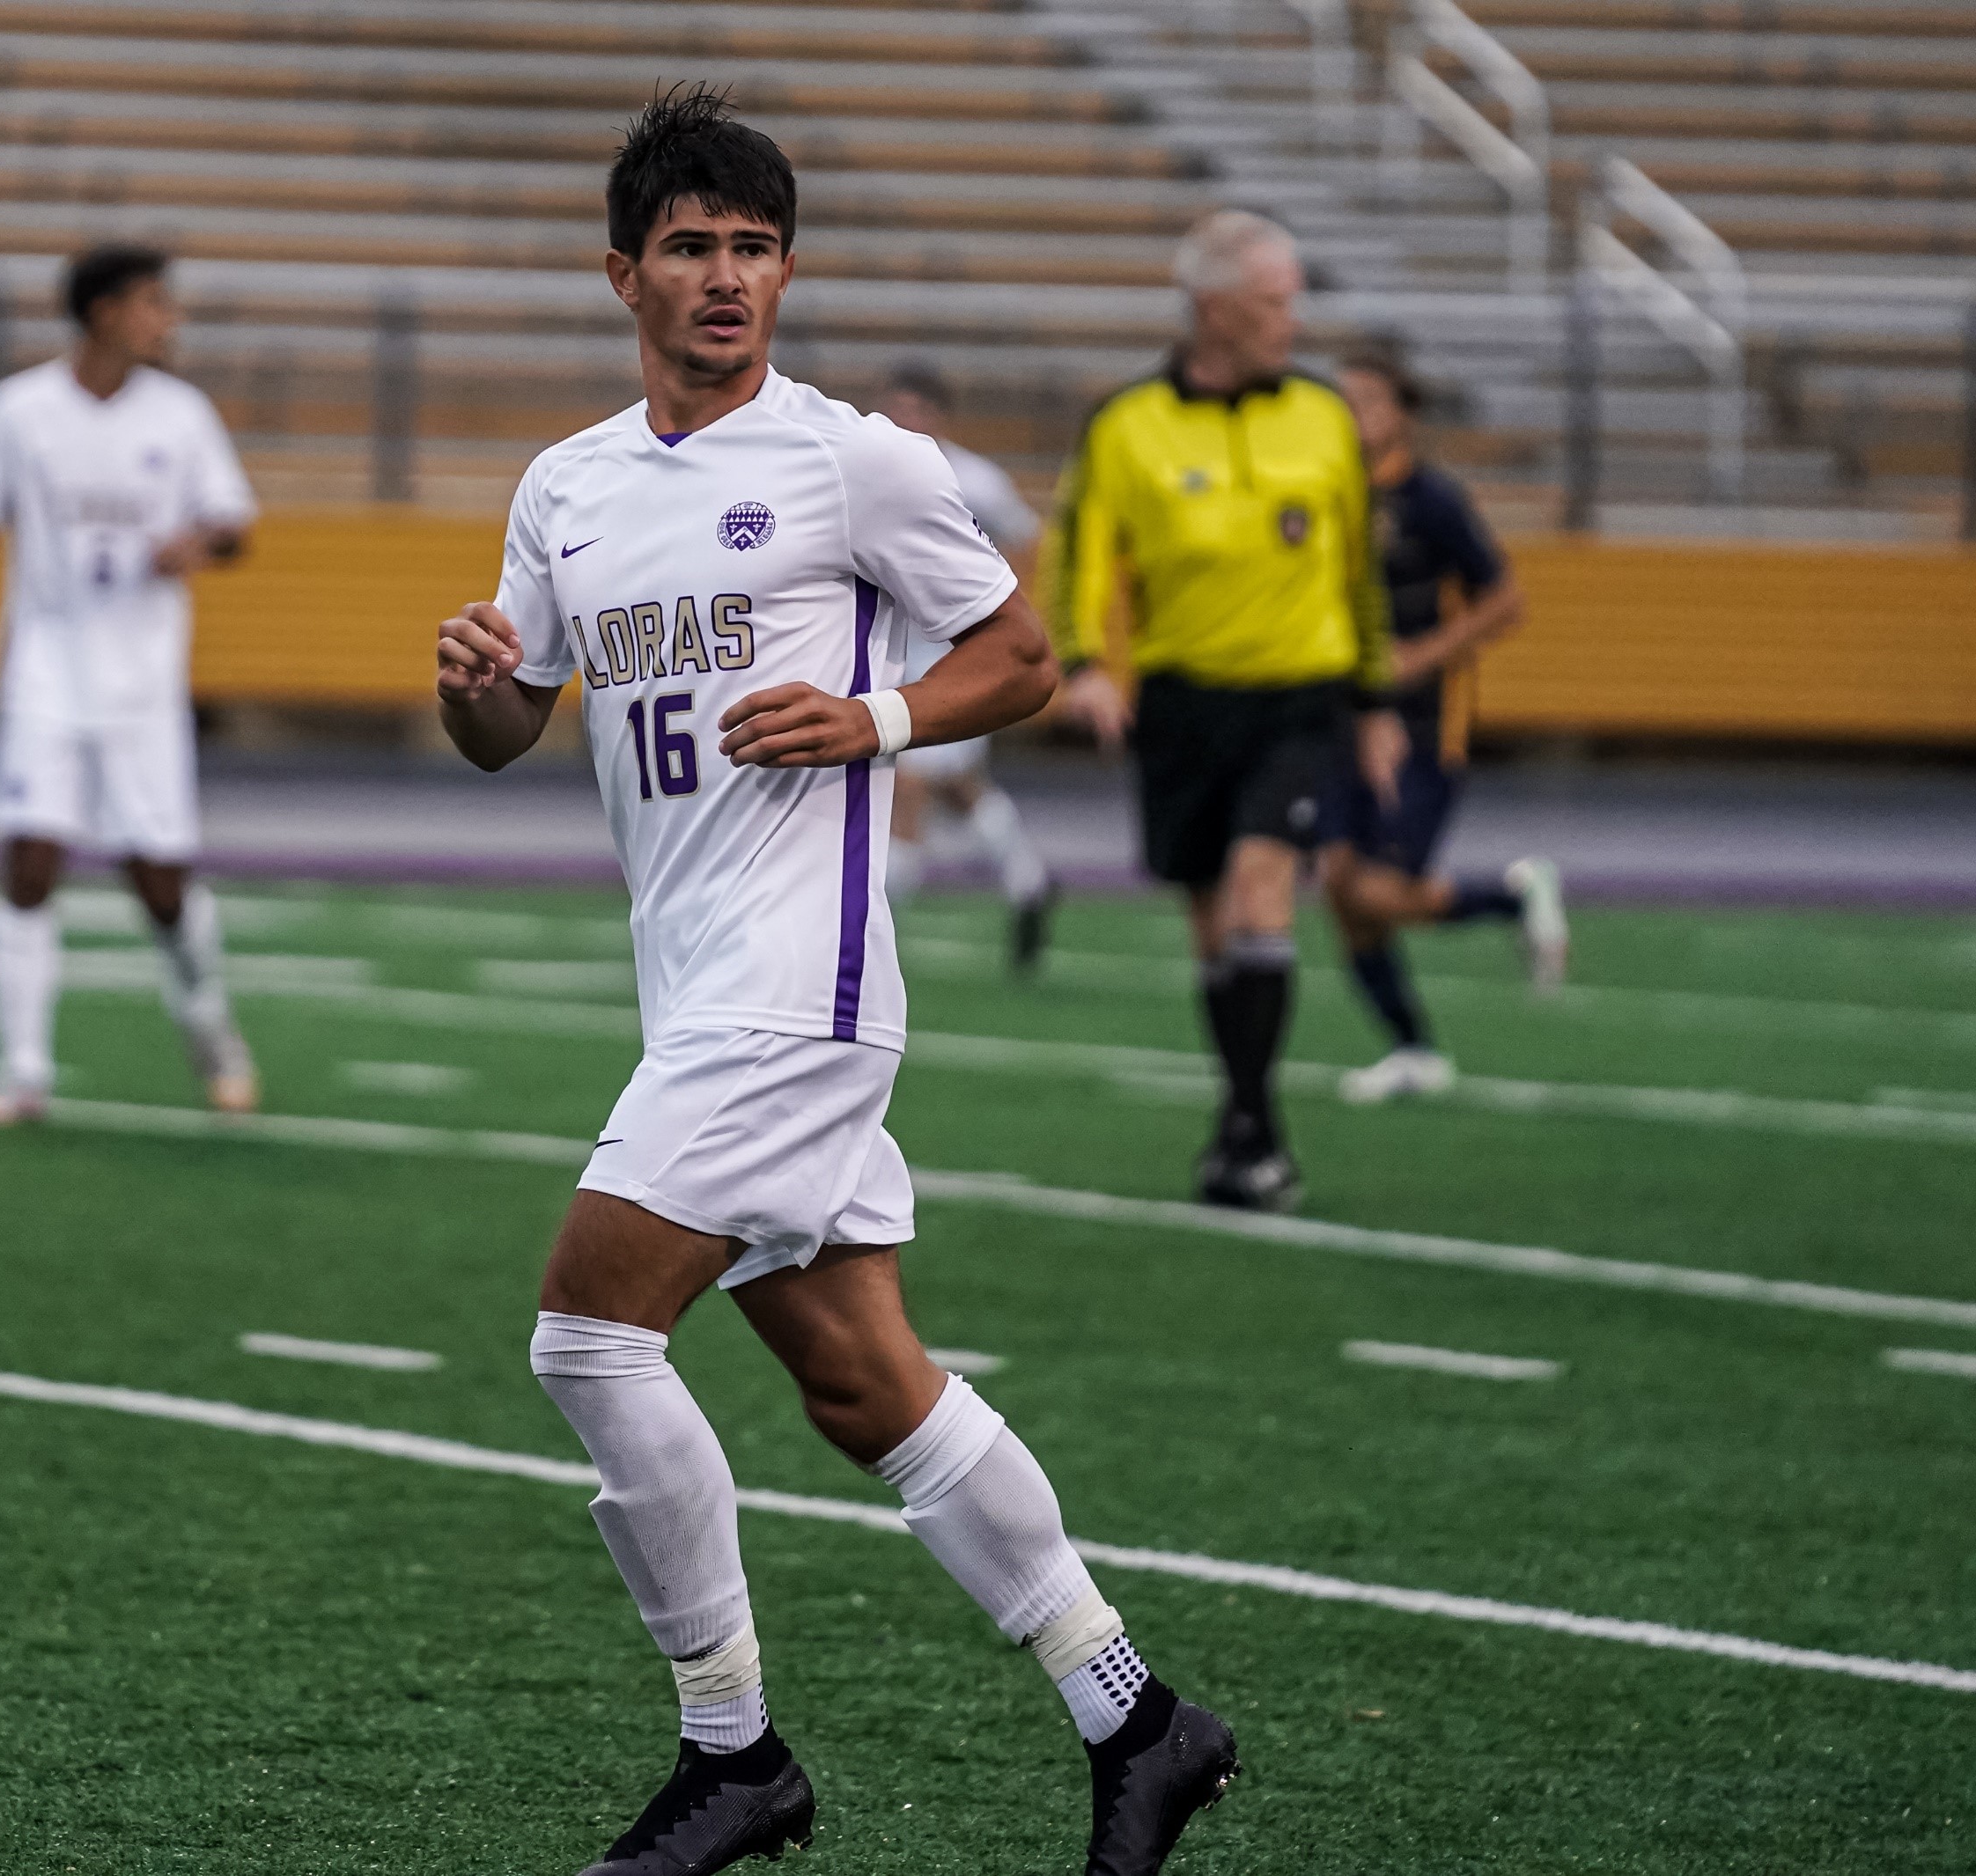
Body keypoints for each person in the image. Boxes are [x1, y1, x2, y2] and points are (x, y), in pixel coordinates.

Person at [434, 87, 1239, 1876]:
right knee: (862, 1380)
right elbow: (504, 729)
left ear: (783, 268)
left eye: (754, 247)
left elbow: (1019, 654)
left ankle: (733, 1753)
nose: (726, 278)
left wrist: (868, 718)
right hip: (693, 977)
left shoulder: (847, 458)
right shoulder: (565, 486)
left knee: (584, 1331)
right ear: (622, 271)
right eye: (691, 246)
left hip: (800, 984)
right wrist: (473, 673)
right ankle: (1133, 1713)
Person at [1041, 210, 1399, 1215]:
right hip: (1184, 705)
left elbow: (1358, 567)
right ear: (1210, 307)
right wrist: (1084, 663)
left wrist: (1373, 700)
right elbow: (1080, 552)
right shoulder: (1126, 424)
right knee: (1210, 925)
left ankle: (1251, 1124)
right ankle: (1246, 1122)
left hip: (1299, 699)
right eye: (1272, 301)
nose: (1291, 319)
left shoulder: (1324, 416)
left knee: (1257, 889)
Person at [0, 246, 262, 1128]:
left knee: (159, 882)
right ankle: (21, 1072)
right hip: (43, 673)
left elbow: (234, 524)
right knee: (29, 861)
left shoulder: (180, 415)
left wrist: (197, 544)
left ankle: (207, 1022)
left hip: (142, 685)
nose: (167, 320)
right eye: (154, 303)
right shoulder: (20, 410)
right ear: (105, 312)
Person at [1317, 349, 1567, 1101]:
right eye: (1342, 398)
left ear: (1404, 414)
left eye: (1367, 398)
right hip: (1336, 718)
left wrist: (1419, 656)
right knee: (1338, 886)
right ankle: (1413, 1048)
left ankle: (1511, 898)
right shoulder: (1323, 493)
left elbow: (1504, 602)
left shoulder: (1430, 501)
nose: (1351, 412)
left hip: (1424, 723)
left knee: (1381, 891)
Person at [873, 359, 1060, 973]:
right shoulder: (869, 466)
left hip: (947, 649)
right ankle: (1028, 880)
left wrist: (998, 616)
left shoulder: (972, 479)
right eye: (898, 409)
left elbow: (1027, 539)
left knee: (904, 783)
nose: (907, 421)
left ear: (939, 417)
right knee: (954, 788)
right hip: (892, 640)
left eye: (918, 410)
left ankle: (872, 936)